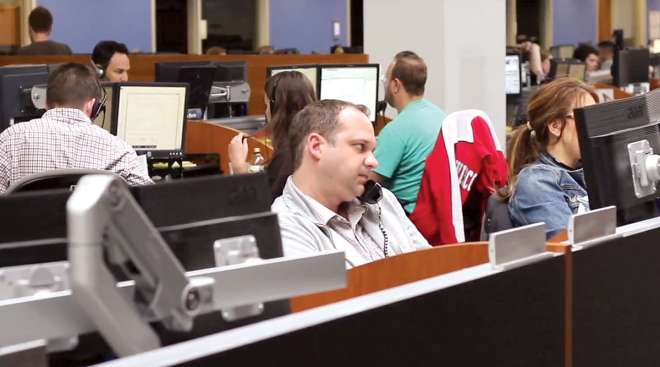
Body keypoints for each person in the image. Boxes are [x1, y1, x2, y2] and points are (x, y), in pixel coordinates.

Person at [272, 100, 430, 268]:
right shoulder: (283, 229)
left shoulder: (382, 201)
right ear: (317, 147)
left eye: (372, 150)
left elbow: (433, 266)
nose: (373, 161)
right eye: (360, 147)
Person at [0, 63, 152, 193]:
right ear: (92, 106)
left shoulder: (10, 139)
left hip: (27, 227)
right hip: (92, 228)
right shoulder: (119, 151)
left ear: (45, 103)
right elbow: (149, 203)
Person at [504, 78, 598, 238]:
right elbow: (570, 248)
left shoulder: (594, 169)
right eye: (586, 118)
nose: (595, 126)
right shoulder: (536, 182)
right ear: (555, 126)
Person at [369, 51, 447, 213]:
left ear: (396, 85)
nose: (385, 84)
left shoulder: (395, 130)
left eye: (386, 79)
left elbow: (367, 183)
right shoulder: (441, 116)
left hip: (406, 218)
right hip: (436, 213)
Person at [228, 71, 316, 200]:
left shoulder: (289, 152)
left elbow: (264, 208)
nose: (265, 111)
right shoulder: (314, 138)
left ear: (276, 108)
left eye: (266, 105)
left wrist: (239, 168)